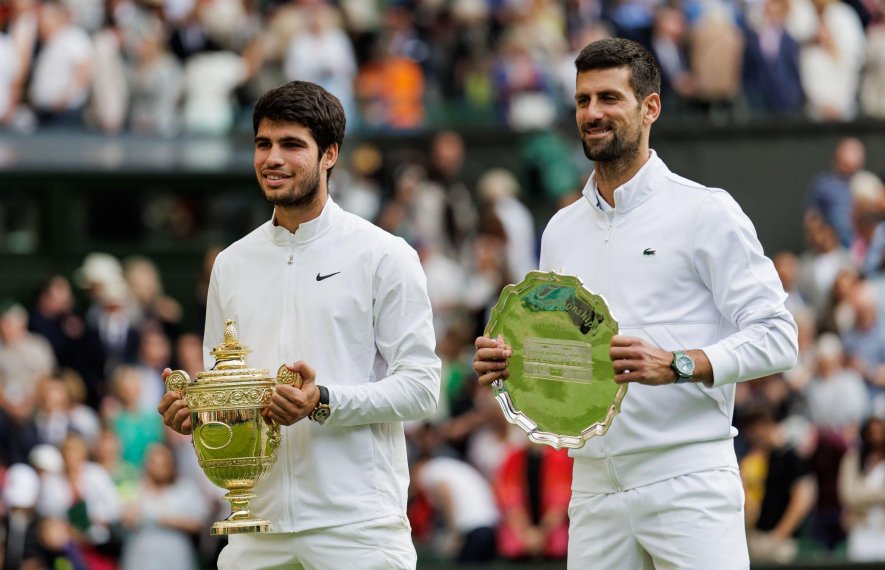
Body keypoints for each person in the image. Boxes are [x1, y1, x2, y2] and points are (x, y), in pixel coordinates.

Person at [473, 38, 798, 569]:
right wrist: (515, 365)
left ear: (651, 107)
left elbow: (779, 336)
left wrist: (677, 364)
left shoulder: (705, 211)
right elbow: (569, 358)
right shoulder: (560, 230)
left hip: (689, 478)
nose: (592, 113)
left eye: (608, 97)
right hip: (594, 488)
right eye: (582, 100)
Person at [158, 80, 441, 569]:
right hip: (254, 528)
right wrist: (195, 411)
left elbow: (422, 389)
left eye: (291, 145)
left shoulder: (385, 255)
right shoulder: (231, 263)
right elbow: (222, 392)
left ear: (329, 154)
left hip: (358, 529)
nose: (273, 158)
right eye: (263, 144)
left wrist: (324, 400)